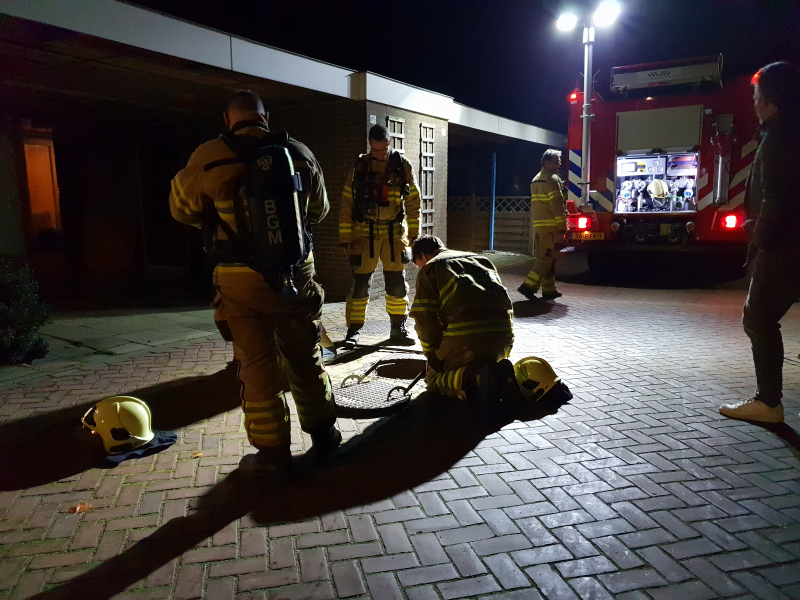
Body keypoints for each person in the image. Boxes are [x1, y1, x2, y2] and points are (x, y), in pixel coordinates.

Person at [169, 90, 340, 473]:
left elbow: (180, 209)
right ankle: (324, 436)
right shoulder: (298, 151)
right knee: (305, 358)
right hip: (296, 275)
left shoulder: (208, 155)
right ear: (265, 116)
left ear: (227, 119)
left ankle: (274, 453)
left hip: (239, 279)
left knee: (257, 367)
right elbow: (321, 210)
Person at [719, 62, 800, 424]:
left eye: (756, 96)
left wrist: (760, 241)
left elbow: (776, 200)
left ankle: (768, 403)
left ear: (772, 101)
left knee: (758, 317)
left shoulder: (779, 139)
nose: (753, 103)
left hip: (782, 248)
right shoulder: (789, 133)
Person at [409, 235, 520, 405]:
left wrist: (432, 356)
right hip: (503, 339)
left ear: (423, 256)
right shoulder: (481, 260)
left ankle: (476, 378)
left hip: (466, 341)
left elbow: (424, 318)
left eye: (418, 264)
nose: (420, 268)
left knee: (432, 377)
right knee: (479, 360)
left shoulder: (431, 268)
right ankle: (497, 372)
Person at [339, 124, 421, 347]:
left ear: (389, 142)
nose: (379, 155)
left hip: (394, 237)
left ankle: (398, 328)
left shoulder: (402, 166)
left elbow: (413, 201)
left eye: (382, 150)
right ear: (369, 144)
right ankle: (354, 331)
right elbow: (347, 202)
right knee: (360, 285)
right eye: (374, 151)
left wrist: (414, 235)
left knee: (396, 284)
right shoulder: (360, 167)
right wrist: (345, 238)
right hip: (364, 236)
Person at [518, 149, 568, 301]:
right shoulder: (552, 180)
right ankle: (528, 286)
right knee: (546, 259)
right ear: (546, 163)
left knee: (547, 258)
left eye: (559, 160)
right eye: (555, 161)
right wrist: (562, 227)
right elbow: (557, 206)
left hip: (539, 227)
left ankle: (549, 290)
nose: (559, 163)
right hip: (551, 228)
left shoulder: (535, 179)